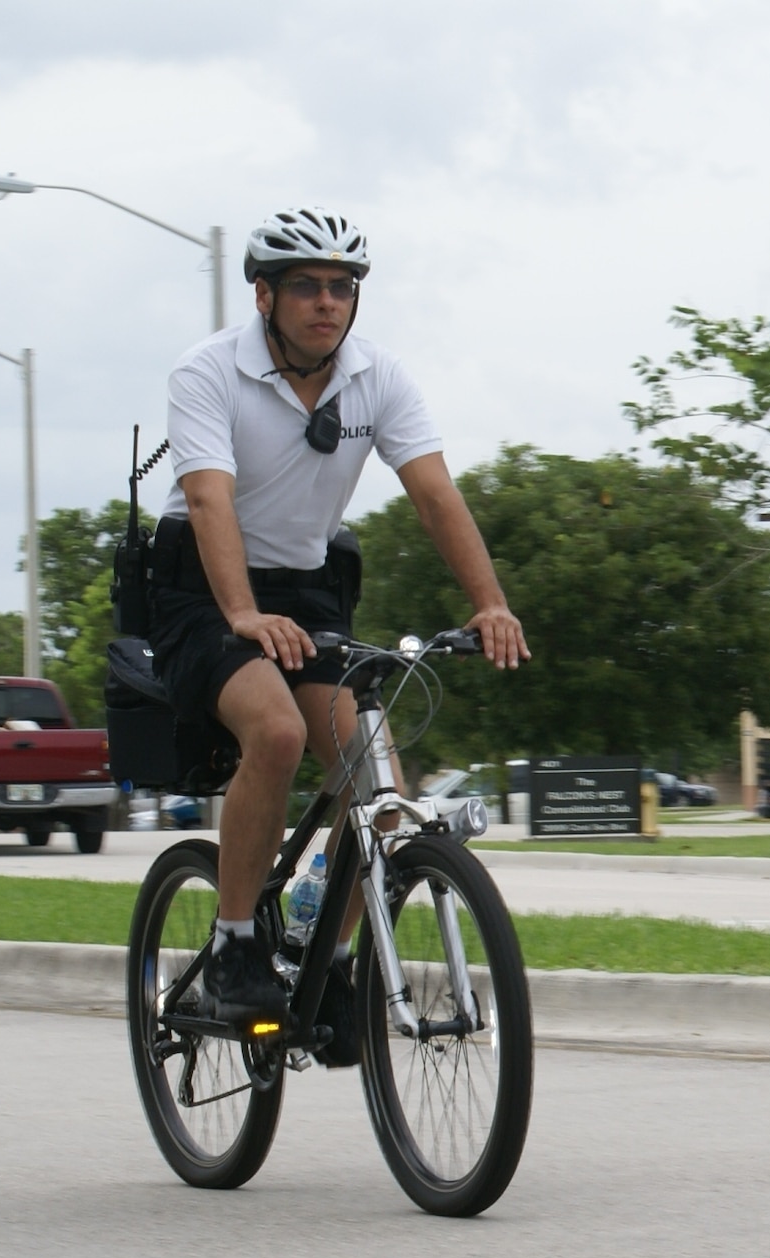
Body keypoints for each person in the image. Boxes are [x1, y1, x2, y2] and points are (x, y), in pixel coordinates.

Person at [149, 206, 529, 1037]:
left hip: (312, 586)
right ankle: (238, 941)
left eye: (342, 288)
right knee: (279, 735)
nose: (327, 303)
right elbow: (209, 498)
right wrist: (242, 613)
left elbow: (433, 491)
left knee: (378, 789)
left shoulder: (376, 377)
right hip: (202, 589)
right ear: (264, 295)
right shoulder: (207, 371)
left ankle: (335, 953)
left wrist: (489, 600)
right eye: (307, 287)